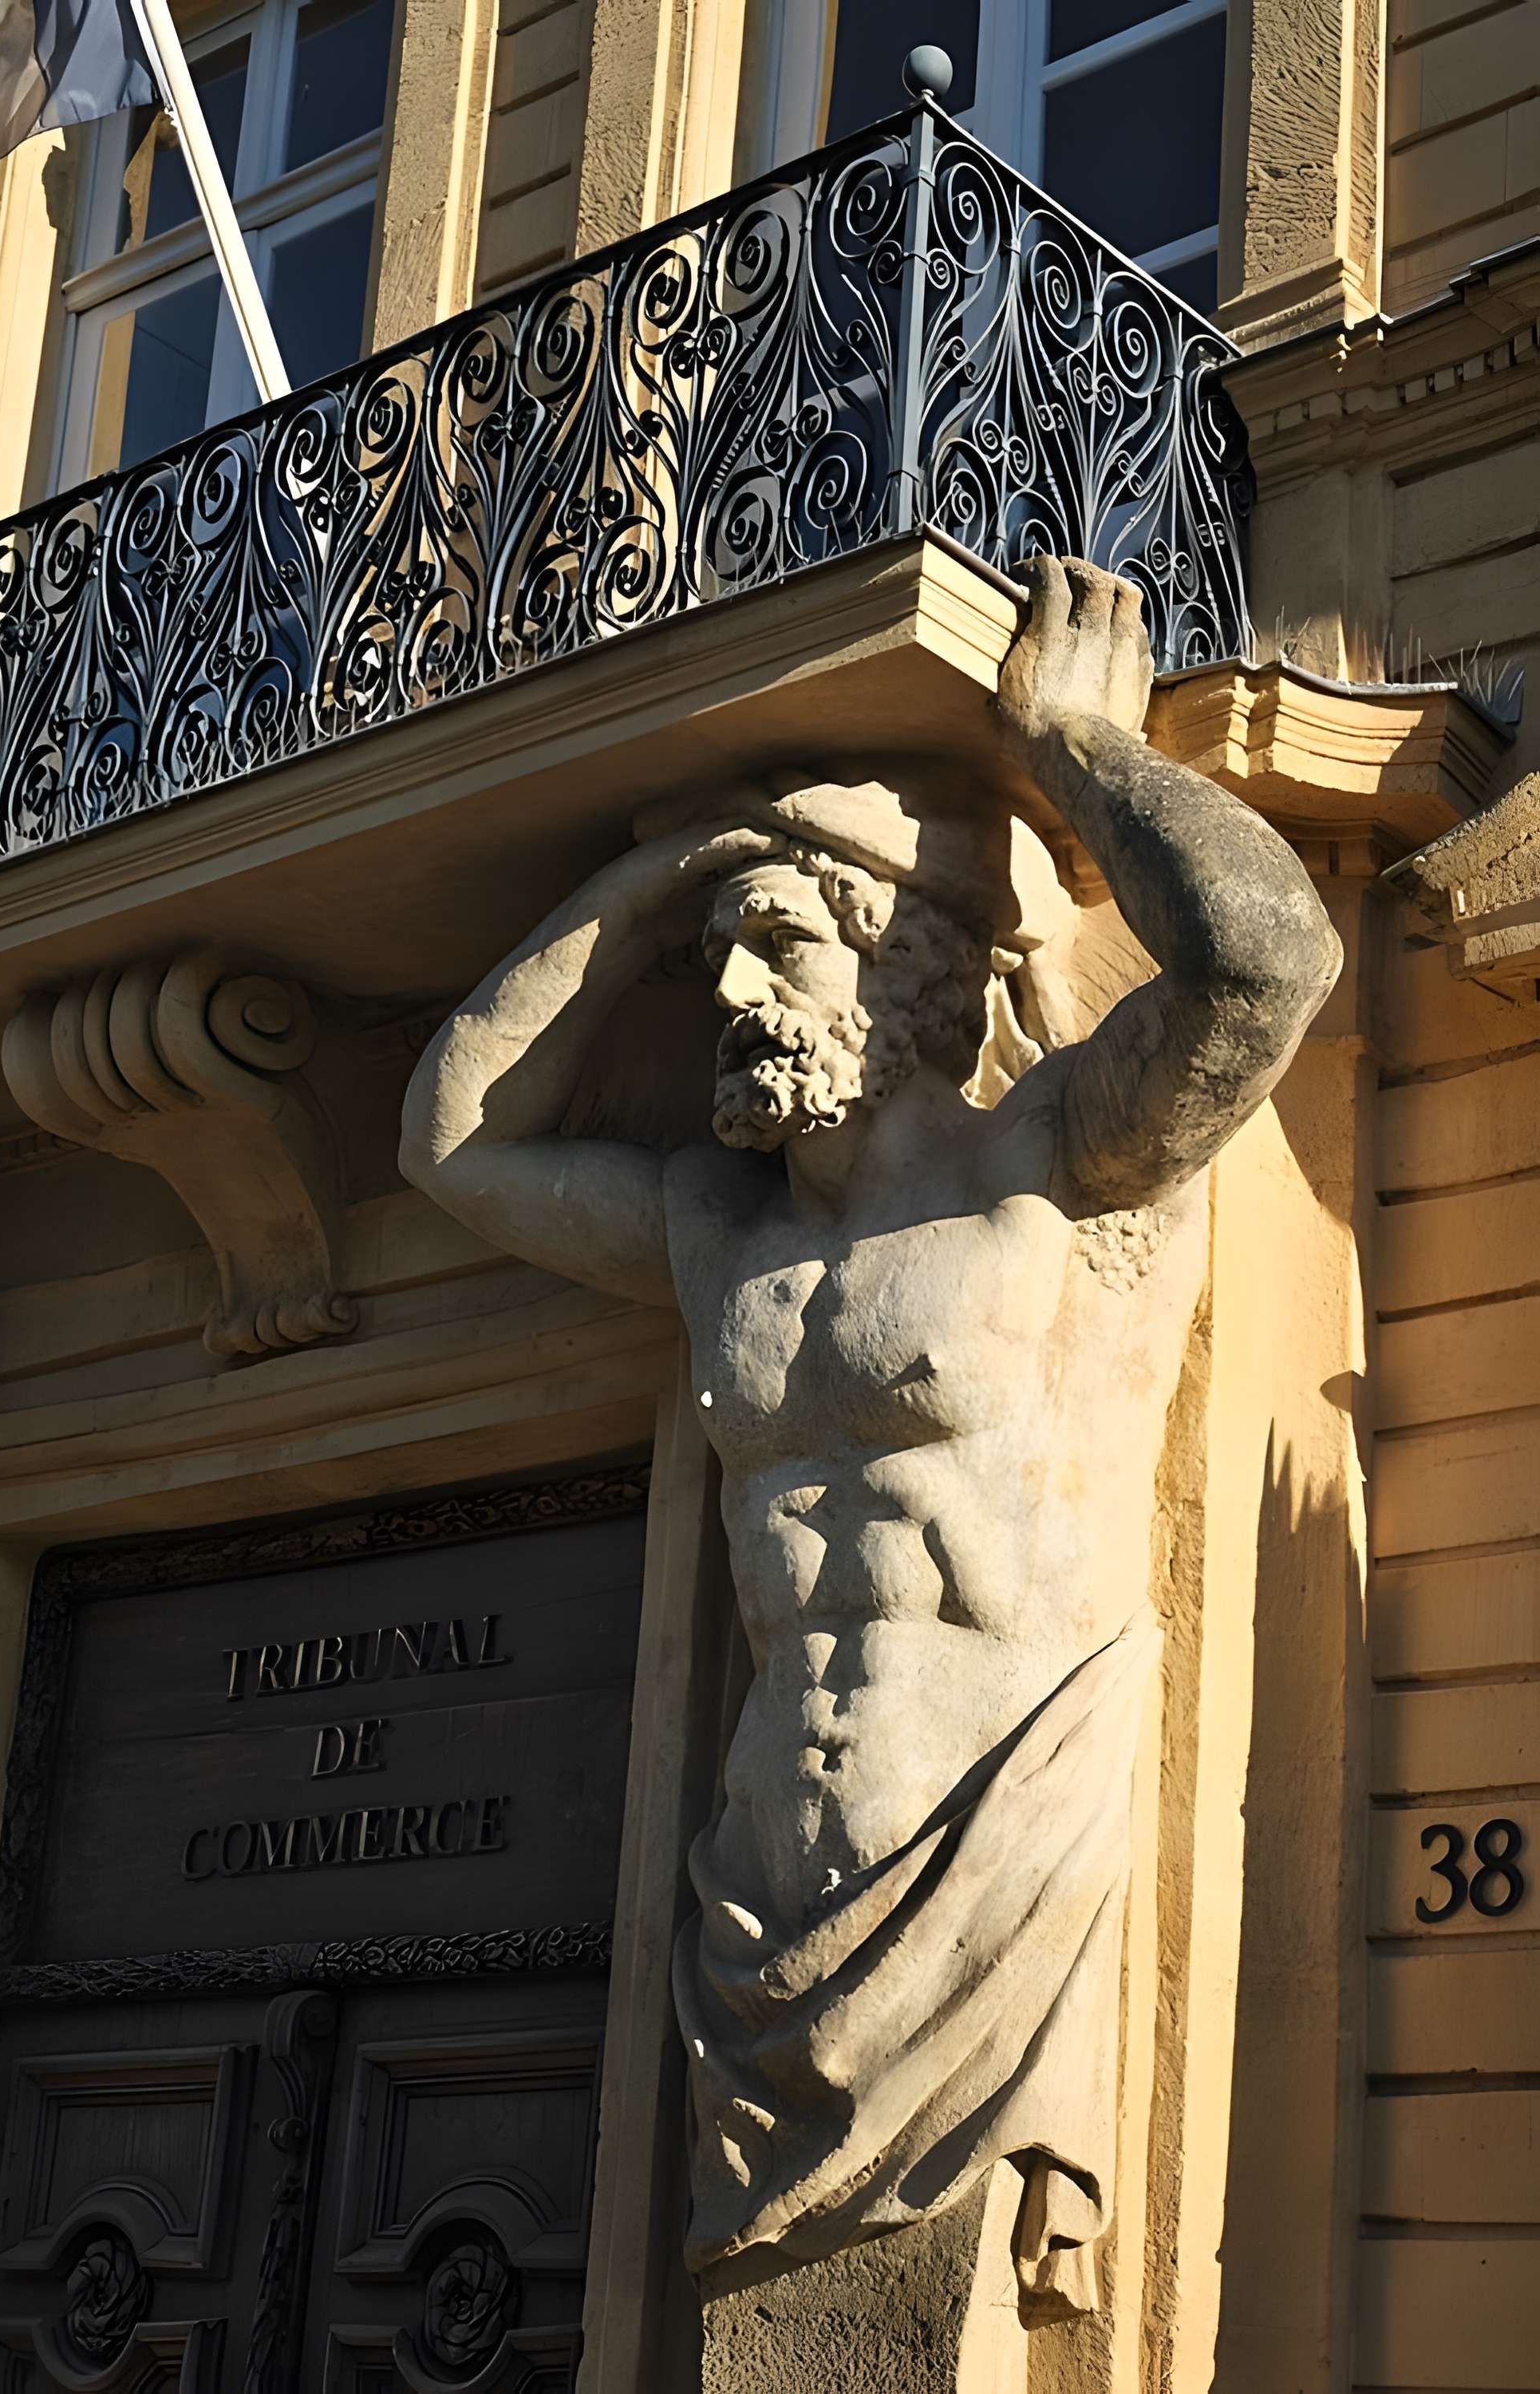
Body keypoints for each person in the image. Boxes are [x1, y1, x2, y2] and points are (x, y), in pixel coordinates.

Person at [400, 557, 1342, 2314]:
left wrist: (1072, 748)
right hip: (769, 1870)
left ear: (908, 959)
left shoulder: (1049, 1169)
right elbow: (448, 1144)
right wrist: (652, 888)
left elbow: (1268, 965)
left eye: (777, 944)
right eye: (717, 962)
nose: (732, 996)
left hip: (991, 1840)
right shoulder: (712, 1226)